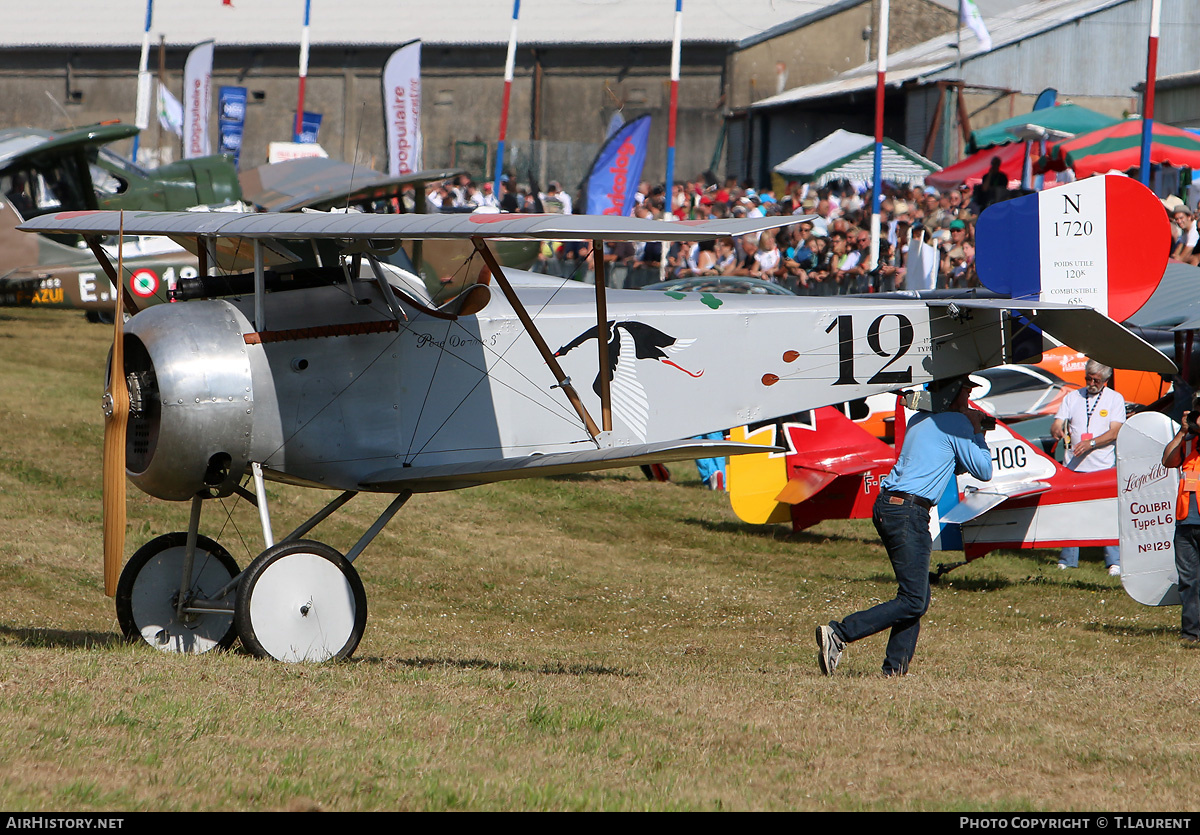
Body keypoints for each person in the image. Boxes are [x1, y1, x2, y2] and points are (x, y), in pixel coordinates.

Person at [817, 375, 993, 676]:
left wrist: (970, 431)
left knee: (916, 597)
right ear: (953, 392)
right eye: (966, 391)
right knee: (913, 598)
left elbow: (955, 462)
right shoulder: (955, 423)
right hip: (909, 512)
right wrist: (976, 430)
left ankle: (895, 671)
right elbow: (983, 470)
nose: (969, 398)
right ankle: (840, 633)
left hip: (893, 507)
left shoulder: (922, 420)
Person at [1049, 360, 1124, 574]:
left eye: (1096, 380)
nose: (1091, 383)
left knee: (1107, 513)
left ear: (1105, 381)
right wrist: (1057, 429)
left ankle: (1114, 561)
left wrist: (1091, 443)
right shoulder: (1072, 397)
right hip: (1073, 467)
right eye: (1088, 379)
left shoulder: (1114, 399)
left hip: (1102, 466)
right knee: (1072, 512)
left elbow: (1115, 431)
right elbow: (1058, 421)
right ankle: (1068, 559)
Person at [1162, 399, 1200, 643]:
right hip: (1186, 518)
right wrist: (1183, 431)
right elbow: (1167, 460)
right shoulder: (1187, 442)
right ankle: (1191, 633)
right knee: (1189, 581)